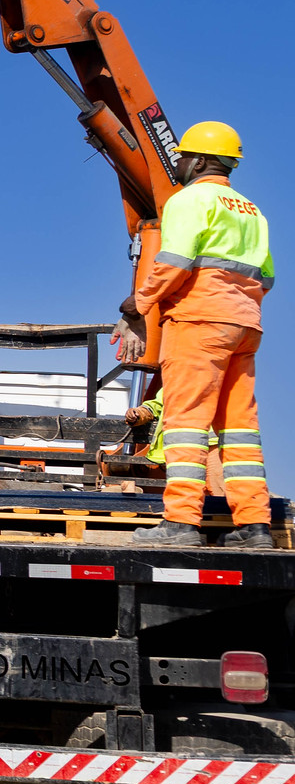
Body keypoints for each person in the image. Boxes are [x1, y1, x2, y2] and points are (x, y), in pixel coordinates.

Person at [118, 122, 274, 548]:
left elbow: (174, 260)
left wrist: (138, 304)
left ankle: (181, 523)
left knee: (185, 424)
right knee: (240, 429)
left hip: (199, 322)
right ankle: (255, 527)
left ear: (201, 160)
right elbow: (268, 277)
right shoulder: (251, 210)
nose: (179, 164)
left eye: (183, 157)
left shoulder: (189, 200)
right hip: (244, 325)